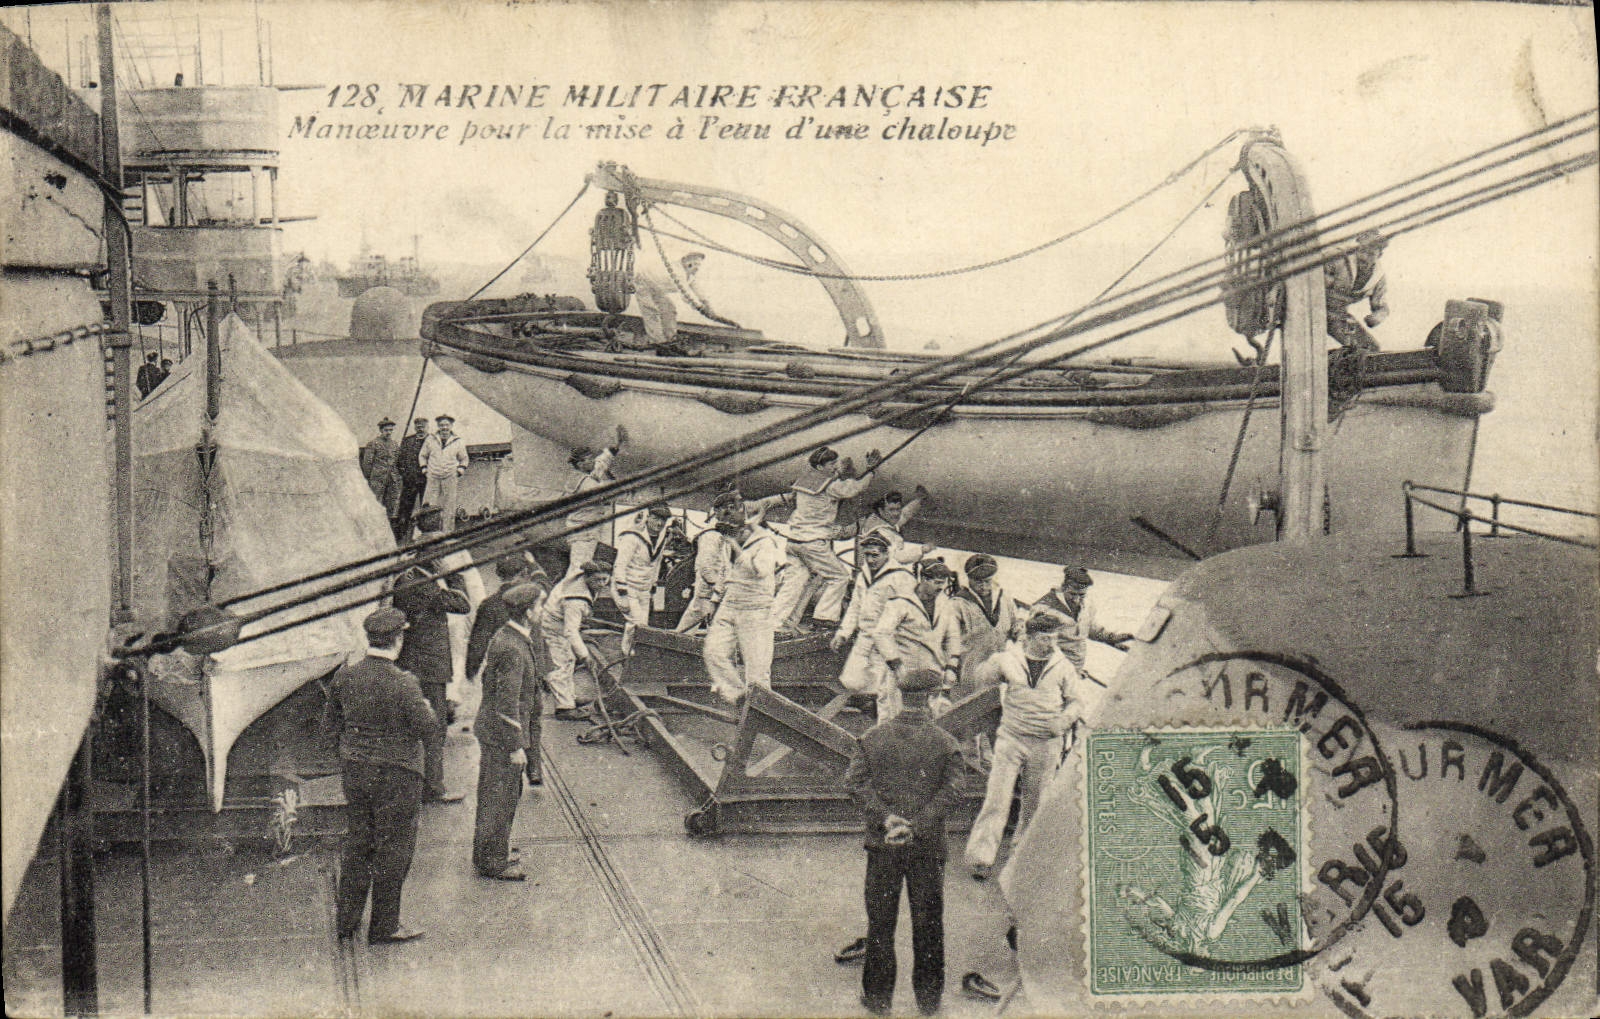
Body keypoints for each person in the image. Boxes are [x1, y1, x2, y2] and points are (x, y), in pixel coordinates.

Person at [844, 667, 965, 1017]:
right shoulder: (946, 744)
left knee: (881, 924)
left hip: (884, 847)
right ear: (930, 700)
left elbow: (853, 784)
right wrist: (919, 823)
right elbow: (954, 790)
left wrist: (887, 819)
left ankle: (878, 998)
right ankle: (928, 1000)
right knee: (928, 923)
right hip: (927, 848)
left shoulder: (872, 738)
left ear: (900, 696)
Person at [322, 607, 436, 944]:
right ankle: (385, 925)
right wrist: (426, 707)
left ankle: (347, 921)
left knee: (359, 842)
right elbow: (428, 728)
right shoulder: (405, 682)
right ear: (398, 640)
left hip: (357, 771)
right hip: (399, 774)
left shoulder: (345, 676)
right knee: (394, 847)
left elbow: (329, 728)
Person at [963, 612, 1080, 881]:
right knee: (997, 798)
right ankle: (981, 858)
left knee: (1035, 803)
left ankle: (1022, 858)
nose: (1051, 644)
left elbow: (1076, 702)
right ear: (1028, 637)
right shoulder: (1009, 659)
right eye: (1044, 638)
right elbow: (979, 679)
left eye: (1054, 638)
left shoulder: (1063, 667)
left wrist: (1063, 720)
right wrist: (989, 655)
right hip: (1011, 738)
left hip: (1046, 742)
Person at [392, 508, 472, 802]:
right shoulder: (421, 582)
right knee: (434, 726)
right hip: (427, 664)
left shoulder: (412, 574)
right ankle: (434, 789)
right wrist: (452, 575)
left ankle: (423, 784)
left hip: (418, 660)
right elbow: (462, 604)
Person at [472, 583, 544, 881]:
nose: (542, 610)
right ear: (528, 612)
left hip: (493, 731)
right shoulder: (513, 647)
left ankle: (491, 849)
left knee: (497, 794)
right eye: (539, 605)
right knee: (499, 797)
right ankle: (493, 861)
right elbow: (506, 701)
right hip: (501, 737)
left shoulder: (508, 636)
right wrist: (516, 746)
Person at [771, 446, 881, 638]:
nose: (835, 467)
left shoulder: (804, 481)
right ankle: (824, 618)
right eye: (831, 464)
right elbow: (854, 489)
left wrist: (843, 471)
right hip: (813, 542)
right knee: (839, 577)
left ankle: (777, 625)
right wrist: (871, 470)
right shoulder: (830, 486)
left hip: (794, 541)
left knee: (794, 583)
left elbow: (834, 483)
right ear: (820, 466)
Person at [703, 493, 785, 705]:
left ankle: (759, 712)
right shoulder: (729, 541)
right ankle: (739, 697)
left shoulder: (765, 542)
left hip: (756, 608)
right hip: (730, 603)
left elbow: (761, 570)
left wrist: (738, 549)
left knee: (757, 672)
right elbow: (725, 571)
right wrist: (714, 599)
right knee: (713, 652)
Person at [832, 531, 916, 718]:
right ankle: (875, 715)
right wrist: (843, 633)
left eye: (875, 555)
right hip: (864, 637)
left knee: (884, 689)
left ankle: (882, 726)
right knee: (851, 680)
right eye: (867, 554)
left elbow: (911, 611)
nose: (870, 559)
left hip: (887, 640)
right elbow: (855, 606)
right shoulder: (864, 574)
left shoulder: (901, 577)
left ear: (887, 554)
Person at [870, 559, 961, 722]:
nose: (940, 588)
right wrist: (896, 665)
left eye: (943, 583)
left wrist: (952, 666)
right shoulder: (900, 603)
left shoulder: (945, 604)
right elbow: (881, 633)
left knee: (931, 722)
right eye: (937, 583)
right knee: (892, 720)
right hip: (903, 672)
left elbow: (952, 636)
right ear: (924, 579)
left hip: (933, 671)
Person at [539, 560, 611, 720]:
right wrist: (585, 656)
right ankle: (564, 708)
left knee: (569, 659)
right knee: (561, 664)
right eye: (597, 580)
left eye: (605, 579)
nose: (601, 584)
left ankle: (569, 697)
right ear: (587, 577)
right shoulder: (576, 600)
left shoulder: (581, 581)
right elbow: (570, 631)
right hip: (554, 628)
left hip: (559, 623)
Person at [1028, 565, 1132, 676]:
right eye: (1072, 594)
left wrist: (1111, 638)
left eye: (1082, 595)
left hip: (1075, 667)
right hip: (1050, 668)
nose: (1076, 599)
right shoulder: (1045, 607)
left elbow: (1090, 628)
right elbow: (1034, 641)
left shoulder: (1087, 605)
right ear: (1063, 588)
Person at [947, 553, 1023, 694]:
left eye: (987, 581)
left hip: (998, 668)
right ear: (969, 579)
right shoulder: (957, 604)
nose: (983, 586)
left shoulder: (1004, 598)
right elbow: (950, 639)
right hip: (970, 670)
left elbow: (1016, 623)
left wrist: (1019, 630)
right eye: (978, 581)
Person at [611, 503, 677, 655]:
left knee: (643, 625)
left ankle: (633, 653)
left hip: (644, 589)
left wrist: (653, 584)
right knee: (636, 623)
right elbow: (620, 565)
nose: (659, 523)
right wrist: (622, 590)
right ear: (648, 518)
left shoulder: (662, 538)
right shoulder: (632, 537)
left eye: (663, 520)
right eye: (655, 518)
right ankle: (628, 654)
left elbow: (657, 563)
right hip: (627, 587)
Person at [563, 425, 627, 576]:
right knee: (578, 570)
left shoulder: (579, 475)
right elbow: (607, 491)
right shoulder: (585, 483)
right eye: (588, 460)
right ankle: (568, 597)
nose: (592, 461)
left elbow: (599, 465)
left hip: (582, 531)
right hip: (583, 534)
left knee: (579, 568)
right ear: (580, 464)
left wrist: (613, 449)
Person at [1325, 229, 1389, 352]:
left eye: (1371, 254)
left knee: (1371, 349)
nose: (1364, 258)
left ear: (1379, 255)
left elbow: (1381, 306)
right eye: (1362, 251)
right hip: (1312, 310)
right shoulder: (1337, 258)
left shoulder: (1378, 278)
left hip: (1337, 315)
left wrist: (1377, 317)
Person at [854, 486, 932, 568]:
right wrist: (921, 550)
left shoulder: (877, 519)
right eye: (891, 510)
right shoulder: (881, 533)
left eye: (898, 509)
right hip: (876, 573)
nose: (896, 513)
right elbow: (899, 557)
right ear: (881, 510)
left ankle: (921, 499)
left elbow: (904, 515)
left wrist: (919, 500)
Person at [419, 414, 469, 531]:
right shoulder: (430, 439)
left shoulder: (458, 441)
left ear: (451, 426)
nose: (444, 427)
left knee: (449, 505)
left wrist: (459, 470)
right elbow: (422, 455)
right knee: (429, 504)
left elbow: (464, 458)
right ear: (438, 426)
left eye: (447, 425)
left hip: (450, 476)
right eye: (441, 425)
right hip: (433, 476)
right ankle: (430, 532)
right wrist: (424, 469)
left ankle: (447, 532)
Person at [360, 418, 403, 529]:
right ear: (381, 430)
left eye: (390, 430)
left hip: (392, 478)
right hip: (377, 478)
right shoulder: (373, 444)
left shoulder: (394, 444)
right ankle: (375, 526)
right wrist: (370, 477)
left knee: (392, 503)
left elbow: (397, 460)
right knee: (376, 503)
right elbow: (367, 463)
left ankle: (390, 526)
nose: (388, 433)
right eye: (386, 430)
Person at [395, 418, 431, 541]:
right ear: (415, 427)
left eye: (423, 426)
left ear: (427, 427)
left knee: (426, 507)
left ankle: (425, 534)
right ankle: (401, 535)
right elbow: (399, 461)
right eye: (418, 426)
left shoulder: (433, 441)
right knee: (405, 508)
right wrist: (406, 475)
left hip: (426, 481)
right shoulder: (407, 441)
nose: (420, 428)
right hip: (410, 481)